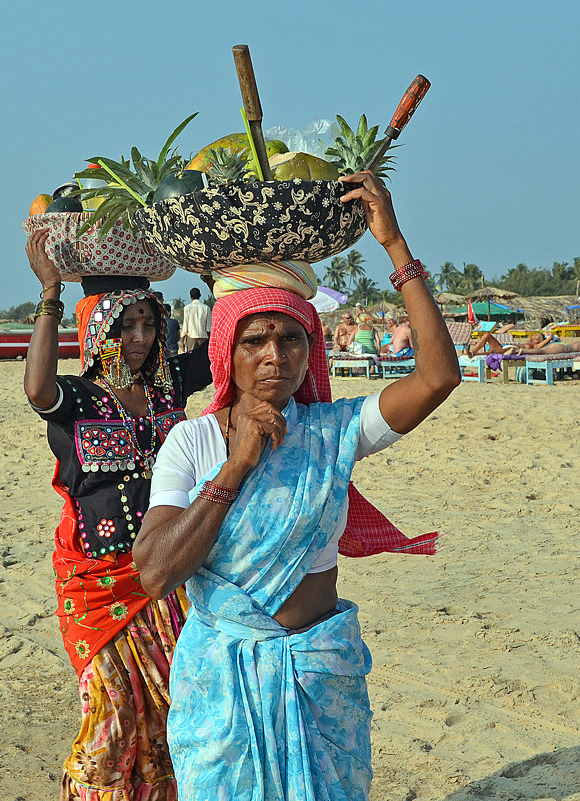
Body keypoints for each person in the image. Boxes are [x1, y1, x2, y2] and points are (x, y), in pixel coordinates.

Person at [133, 171, 461, 801]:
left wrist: (395, 248)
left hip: (317, 680)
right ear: (227, 352)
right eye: (255, 340)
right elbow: (154, 573)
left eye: (291, 338)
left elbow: (439, 376)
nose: (274, 355)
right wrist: (237, 466)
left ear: (310, 353)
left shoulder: (335, 432)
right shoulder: (191, 444)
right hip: (221, 689)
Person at [23, 229, 212, 801]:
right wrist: (51, 296)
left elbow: (223, 344)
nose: (138, 337)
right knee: (111, 711)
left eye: (149, 325)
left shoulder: (167, 388)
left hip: (165, 572)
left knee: (171, 707)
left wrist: (219, 269)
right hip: (96, 581)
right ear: (99, 326)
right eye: (126, 325)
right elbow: (36, 389)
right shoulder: (76, 397)